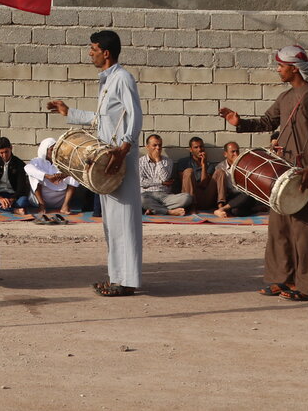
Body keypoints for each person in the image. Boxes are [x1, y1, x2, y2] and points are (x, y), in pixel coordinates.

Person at [219, 45, 308, 301]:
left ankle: (307, 288)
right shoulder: (285, 96)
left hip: (305, 172)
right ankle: (283, 279)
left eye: (281, 65)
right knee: (280, 229)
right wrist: (240, 122)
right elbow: (267, 122)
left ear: (294, 68)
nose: (278, 70)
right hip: (283, 172)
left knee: (306, 232)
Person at [48, 29, 143, 297]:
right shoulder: (107, 81)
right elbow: (102, 119)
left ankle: (127, 281)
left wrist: (124, 147)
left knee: (124, 221)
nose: (90, 53)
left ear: (106, 53)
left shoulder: (123, 78)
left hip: (119, 160)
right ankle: (117, 278)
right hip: (107, 160)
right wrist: (70, 112)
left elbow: (135, 114)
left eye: (93, 49)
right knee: (112, 223)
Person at [24, 137, 79, 218]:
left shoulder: (63, 162)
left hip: (60, 201)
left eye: (56, 149)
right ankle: (41, 205)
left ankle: (65, 206)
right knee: (33, 175)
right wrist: (47, 176)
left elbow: (77, 170)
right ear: (45, 150)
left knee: (74, 174)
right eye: (51, 150)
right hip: (39, 201)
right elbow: (27, 168)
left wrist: (65, 174)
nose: (54, 152)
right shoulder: (37, 161)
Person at [138, 134, 193, 216]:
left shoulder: (168, 161)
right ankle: (169, 212)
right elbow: (142, 182)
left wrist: (158, 160)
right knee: (141, 199)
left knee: (187, 198)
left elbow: (165, 178)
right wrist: (161, 183)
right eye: (154, 145)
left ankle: (154, 209)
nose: (158, 148)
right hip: (147, 195)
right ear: (147, 147)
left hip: (165, 196)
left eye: (160, 145)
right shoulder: (140, 162)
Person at [212, 141, 266, 218]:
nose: (236, 154)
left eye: (237, 151)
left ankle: (222, 209)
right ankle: (254, 209)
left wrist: (239, 166)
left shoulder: (245, 165)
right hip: (231, 196)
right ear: (225, 154)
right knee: (235, 211)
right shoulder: (220, 167)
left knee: (248, 194)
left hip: (244, 196)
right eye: (233, 152)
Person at [174, 136, 218, 212]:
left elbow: (204, 184)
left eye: (201, 146)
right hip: (189, 197)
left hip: (205, 197)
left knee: (220, 172)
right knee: (188, 171)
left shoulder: (209, 165)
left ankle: (221, 206)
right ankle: (191, 206)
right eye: (196, 147)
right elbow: (184, 182)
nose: (199, 149)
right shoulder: (183, 162)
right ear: (191, 149)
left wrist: (203, 165)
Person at [0, 136, 33, 215]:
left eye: (6, 152)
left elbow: (21, 187)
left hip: (14, 195)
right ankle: (14, 211)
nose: (4, 155)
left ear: (11, 148)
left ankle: (4, 208)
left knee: (24, 201)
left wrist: (12, 199)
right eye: (1, 153)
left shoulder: (19, 164)